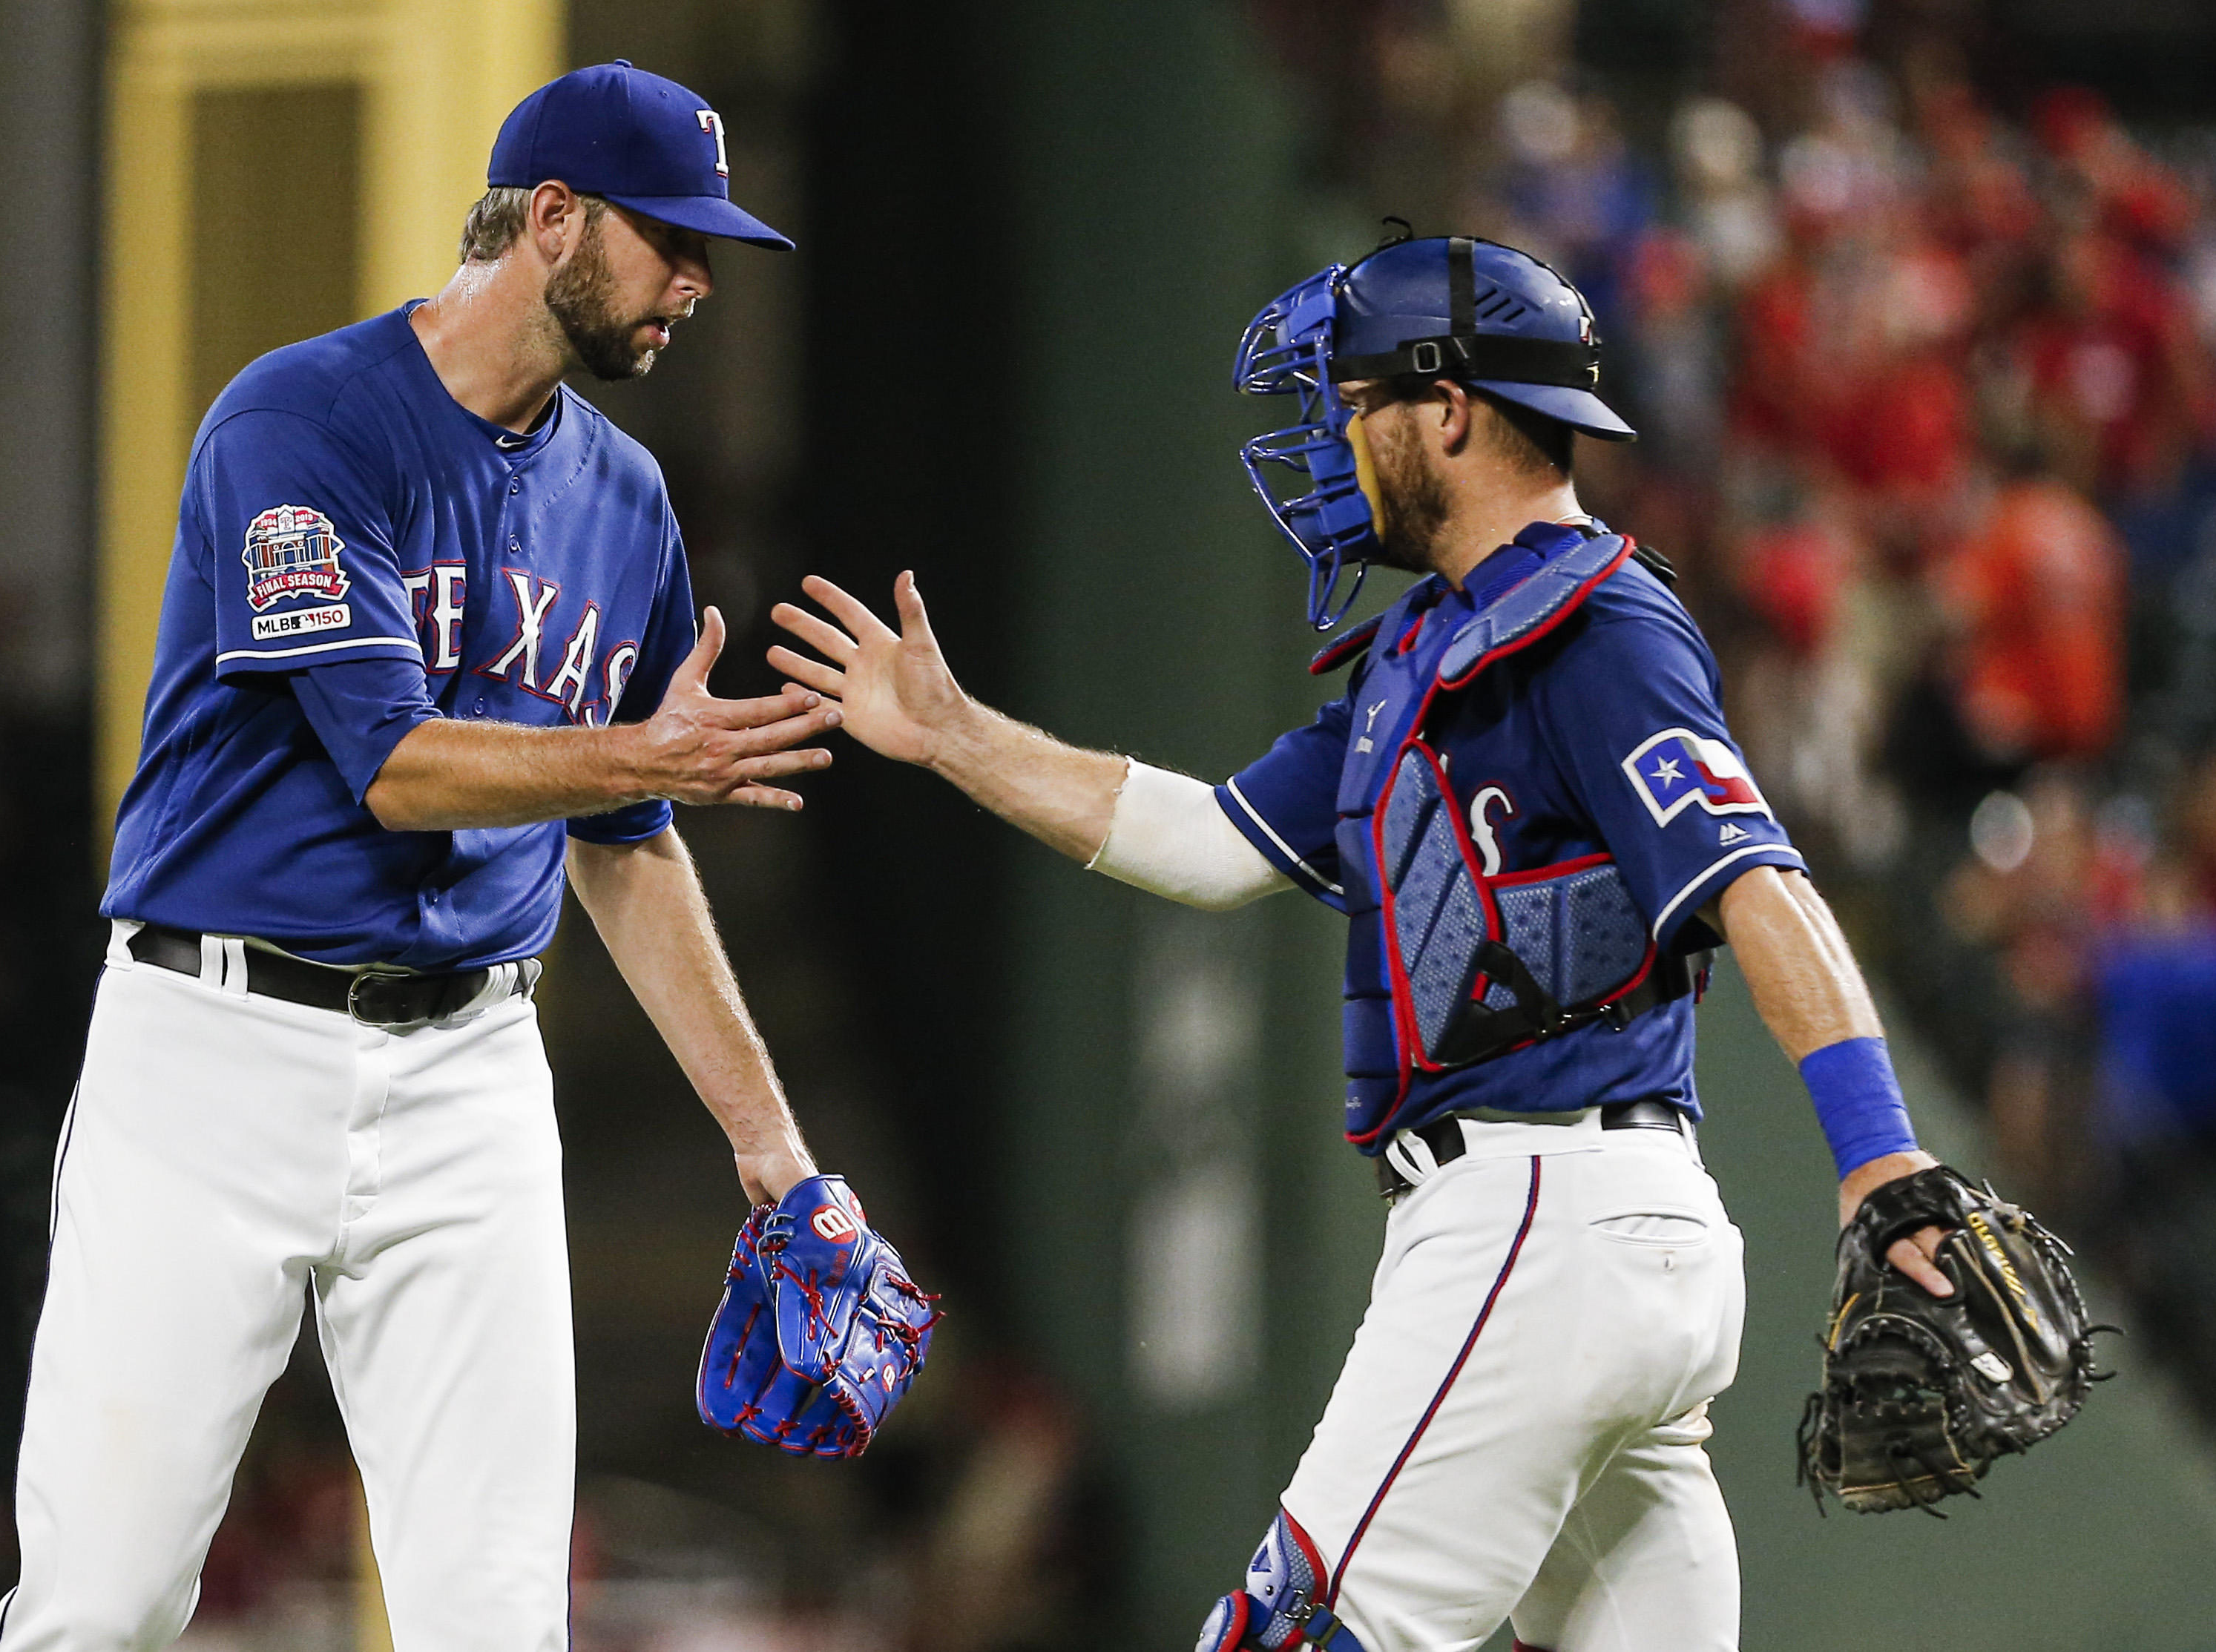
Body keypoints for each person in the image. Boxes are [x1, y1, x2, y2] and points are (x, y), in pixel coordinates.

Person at [772, 235, 1952, 1652]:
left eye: (1354, 401)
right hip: (1617, 1245)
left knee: (1296, 1634)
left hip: (1534, 1218)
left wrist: (1882, 1158)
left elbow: (1760, 884)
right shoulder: (1434, 651)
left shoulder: (1596, 622)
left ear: (1446, 410)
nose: (1333, 437)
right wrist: (959, 740)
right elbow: (1211, 841)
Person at [0, 63, 840, 1651]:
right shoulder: (301, 418)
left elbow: (628, 844)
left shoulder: (630, 501)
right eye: (671, 239)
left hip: (468, 1068)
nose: (698, 282)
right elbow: (391, 768)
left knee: (499, 1614)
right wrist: (636, 757)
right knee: (99, 1604)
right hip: (214, 1052)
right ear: (552, 220)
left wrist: (771, 1144)